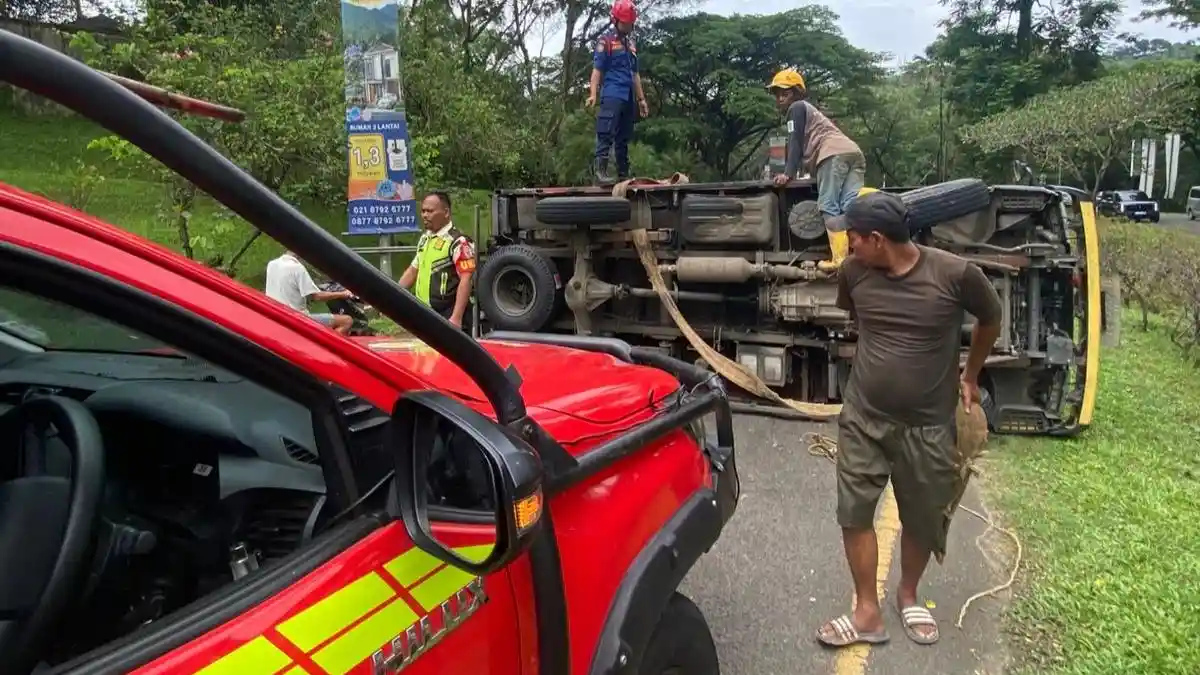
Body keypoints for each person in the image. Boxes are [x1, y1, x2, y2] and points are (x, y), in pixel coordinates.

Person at [817, 191, 1002, 649]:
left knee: (920, 516)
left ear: (877, 239)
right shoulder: (855, 273)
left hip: (929, 424)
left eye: (853, 238)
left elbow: (990, 318)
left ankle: (908, 593)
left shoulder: (956, 274)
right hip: (863, 416)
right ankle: (866, 611)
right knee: (854, 510)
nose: (847, 246)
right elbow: (863, 321)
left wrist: (971, 373)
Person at [768, 68, 867, 271]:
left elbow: (794, 142)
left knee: (828, 205)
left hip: (833, 154)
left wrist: (788, 174)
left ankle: (840, 259)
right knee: (849, 206)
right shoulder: (809, 110)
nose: (779, 99)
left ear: (796, 93)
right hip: (853, 152)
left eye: (784, 93)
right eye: (777, 94)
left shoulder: (796, 108)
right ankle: (860, 253)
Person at [586, 0, 649, 185]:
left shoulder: (631, 43)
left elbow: (635, 73)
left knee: (624, 136)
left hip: (628, 95)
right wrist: (593, 94)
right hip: (613, 93)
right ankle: (601, 172)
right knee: (605, 132)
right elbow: (597, 70)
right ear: (615, 20)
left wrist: (641, 99)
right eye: (625, 22)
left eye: (631, 23)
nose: (629, 26)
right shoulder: (605, 41)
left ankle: (623, 173)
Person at [399, 192, 476, 332]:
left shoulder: (459, 241)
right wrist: (393, 295)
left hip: (448, 316)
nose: (425, 215)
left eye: (430, 211)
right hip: (425, 314)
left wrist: (456, 318)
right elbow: (412, 271)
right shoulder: (425, 239)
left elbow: (466, 279)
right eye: (423, 211)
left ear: (446, 212)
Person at [264, 251, 354, 335]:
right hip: (297, 318)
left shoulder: (272, 264)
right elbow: (317, 296)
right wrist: (343, 294)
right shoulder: (297, 268)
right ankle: (324, 347)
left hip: (275, 315)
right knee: (346, 321)